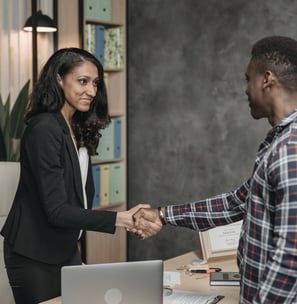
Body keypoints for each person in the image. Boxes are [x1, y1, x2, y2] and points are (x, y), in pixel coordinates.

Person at [133, 36, 297, 304]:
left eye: (248, 79)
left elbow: (292, 256)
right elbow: (236, 203)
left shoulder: (290, 149)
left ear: (267, 79)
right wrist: (162, 215)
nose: (245, 89)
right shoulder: (277, 142)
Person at [0, 47, 150, 304]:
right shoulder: (44, 128)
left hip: (63, 249)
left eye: (95, 83)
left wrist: (75, 242)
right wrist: (121, 219)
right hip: (33, 254)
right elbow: (57, 210)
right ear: (59, 78)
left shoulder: (74, 126)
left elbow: (78, 196)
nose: (91, 91)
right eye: (83, 81)